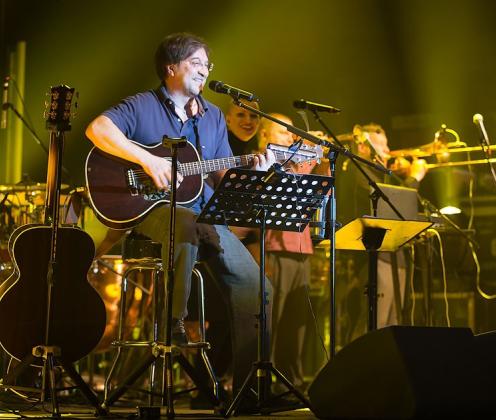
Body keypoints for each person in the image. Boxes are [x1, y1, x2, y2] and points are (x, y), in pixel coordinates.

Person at [85, 32, 276, 400]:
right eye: (196, 63)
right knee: (184, 224)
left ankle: (250, 391)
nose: (205, 71)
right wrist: (148, 160)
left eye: (208, 65)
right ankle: (171, 325)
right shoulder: (143, 105)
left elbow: (222, 176)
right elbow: (98, 129)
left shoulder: (213, 116)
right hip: (151, 213)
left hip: (205, 215)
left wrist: (257, 170)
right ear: (171, 67)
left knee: (258, 288)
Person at [254, 113, 329, 391]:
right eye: (284, 132)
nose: (292, 137)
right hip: (273, 248)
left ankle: (291, 386)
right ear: (264, 136)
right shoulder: (261, 161)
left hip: (302, 249)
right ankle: (263, 384)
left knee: (295, 322)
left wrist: (322, 159)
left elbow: (323, 193)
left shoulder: (298, 161)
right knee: (271, 320)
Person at [336, 123, 428, 340]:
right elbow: (392, 206)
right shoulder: (356, 170)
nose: (388, 151)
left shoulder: (380, 175)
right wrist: (414, 178)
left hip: (396, 257)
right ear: (364, 148)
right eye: (382, 146)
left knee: (392, 327)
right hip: (375, 258)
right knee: (373, 326)